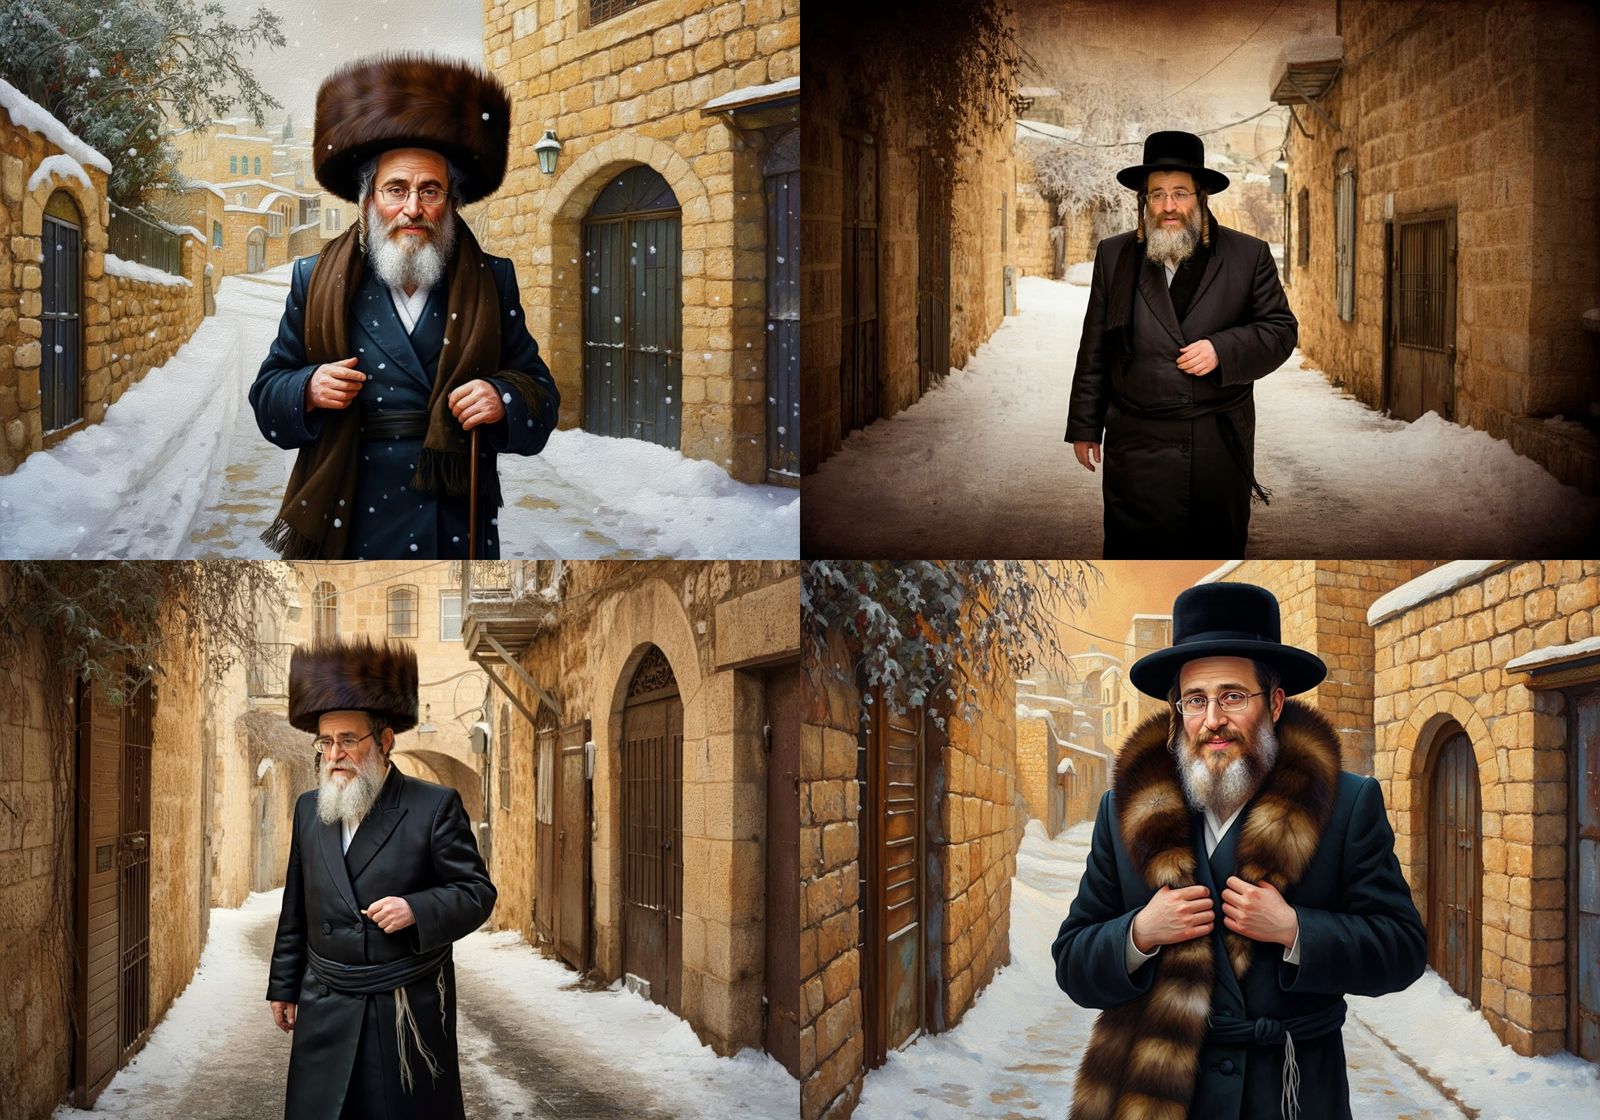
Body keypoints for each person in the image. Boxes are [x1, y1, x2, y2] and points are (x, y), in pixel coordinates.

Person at [1052, 582, 1426, 1120]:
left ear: (1273, 703)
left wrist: (1296, 930)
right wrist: (1138, 934)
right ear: (1178, 711)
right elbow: (1072, 961)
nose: (1212, 719)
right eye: (1195, 700)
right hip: (1159, 1096)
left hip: (1290, 1096)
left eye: (1232, 696)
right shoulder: (1124, 810)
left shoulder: (1347, 805)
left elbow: (1403, 950)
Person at [250, 54, 559, 559]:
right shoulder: (315, 279)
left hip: (453, 517)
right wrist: (305, 389)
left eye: (429, 190)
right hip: (348, 515)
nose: (412, 208)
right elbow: (267, 396)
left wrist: (502, 399)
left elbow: (541, 398)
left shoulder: (492, 279)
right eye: (396, 189)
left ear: (450, 203)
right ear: (368, 200)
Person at [266, 638, 496, 1120]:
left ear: (385, 740)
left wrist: (418, 909)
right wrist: (284, 985)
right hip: (324, 1000)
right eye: (326, 743)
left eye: (348, 740)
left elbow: (476, 892)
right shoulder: (309, 809)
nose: (334, 754)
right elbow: (297, 908)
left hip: (400, 1009)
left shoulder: (433, 806)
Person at [1064, 131, 1297, 557]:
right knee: (1133, 552)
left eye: (1179, 194)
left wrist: (1222, 350)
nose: (1168, 206)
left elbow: (1281, 330)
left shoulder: (1248, 255)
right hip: (1135, 441)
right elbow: (1095, 343)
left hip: (1214, 442)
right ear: (1144, 201)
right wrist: (1084, 425)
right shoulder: (1115, 255)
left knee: (1212, 550)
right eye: (1157, 195)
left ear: (1201, 197)